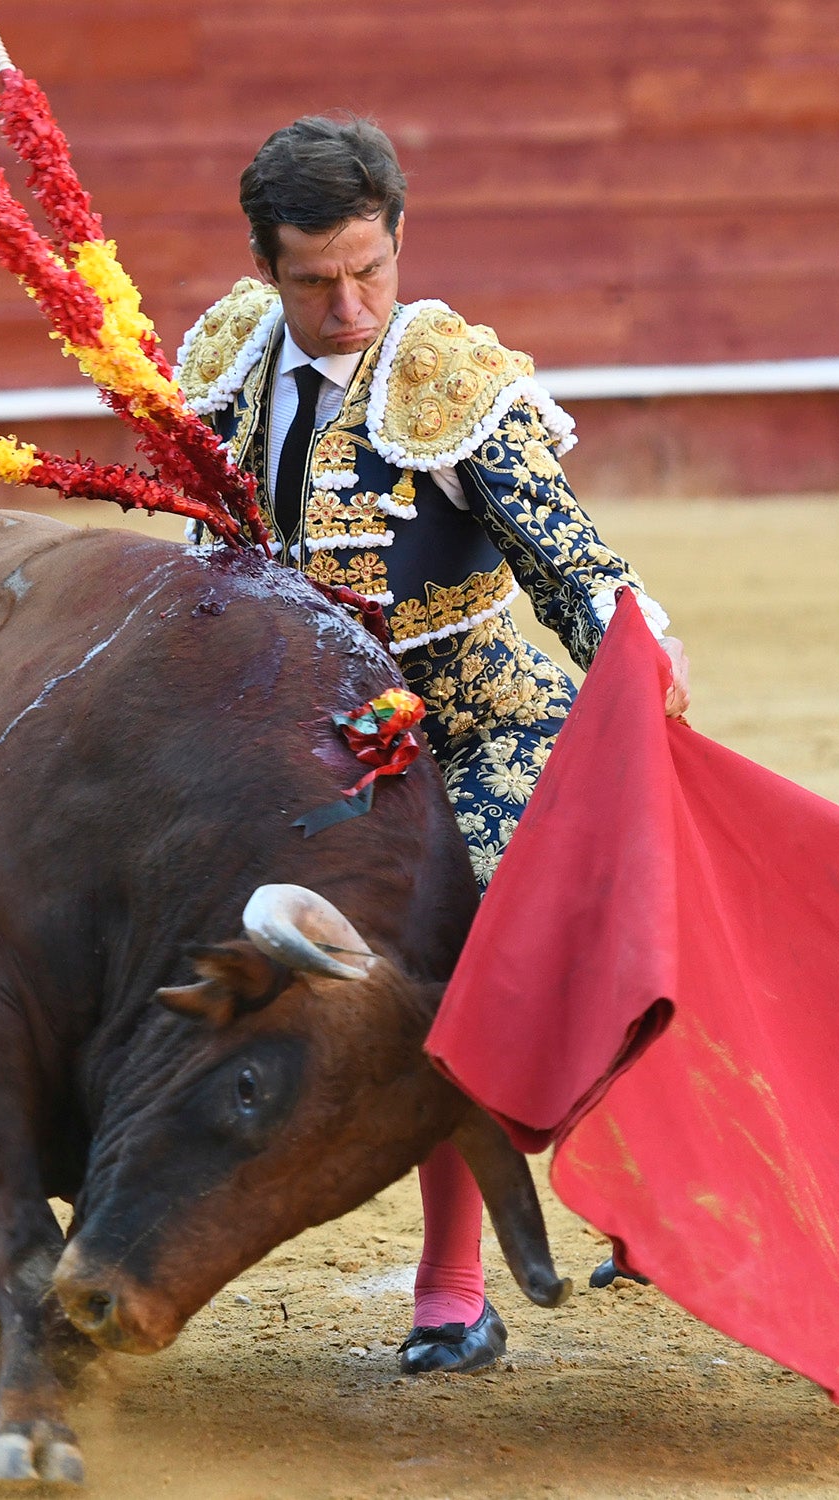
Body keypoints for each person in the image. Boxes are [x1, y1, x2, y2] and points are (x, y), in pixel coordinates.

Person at [176, 114, 689, 1375]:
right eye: (314, 281)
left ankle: (457, 1287)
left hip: (479, 723)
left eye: (370, 270)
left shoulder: (447, 379)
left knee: (465, 976)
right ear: (263, 271)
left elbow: (568, 562)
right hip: (298, 735)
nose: (350, 307)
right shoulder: (229, 360)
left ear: (397, 242)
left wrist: (641, 669)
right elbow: (203, 551)